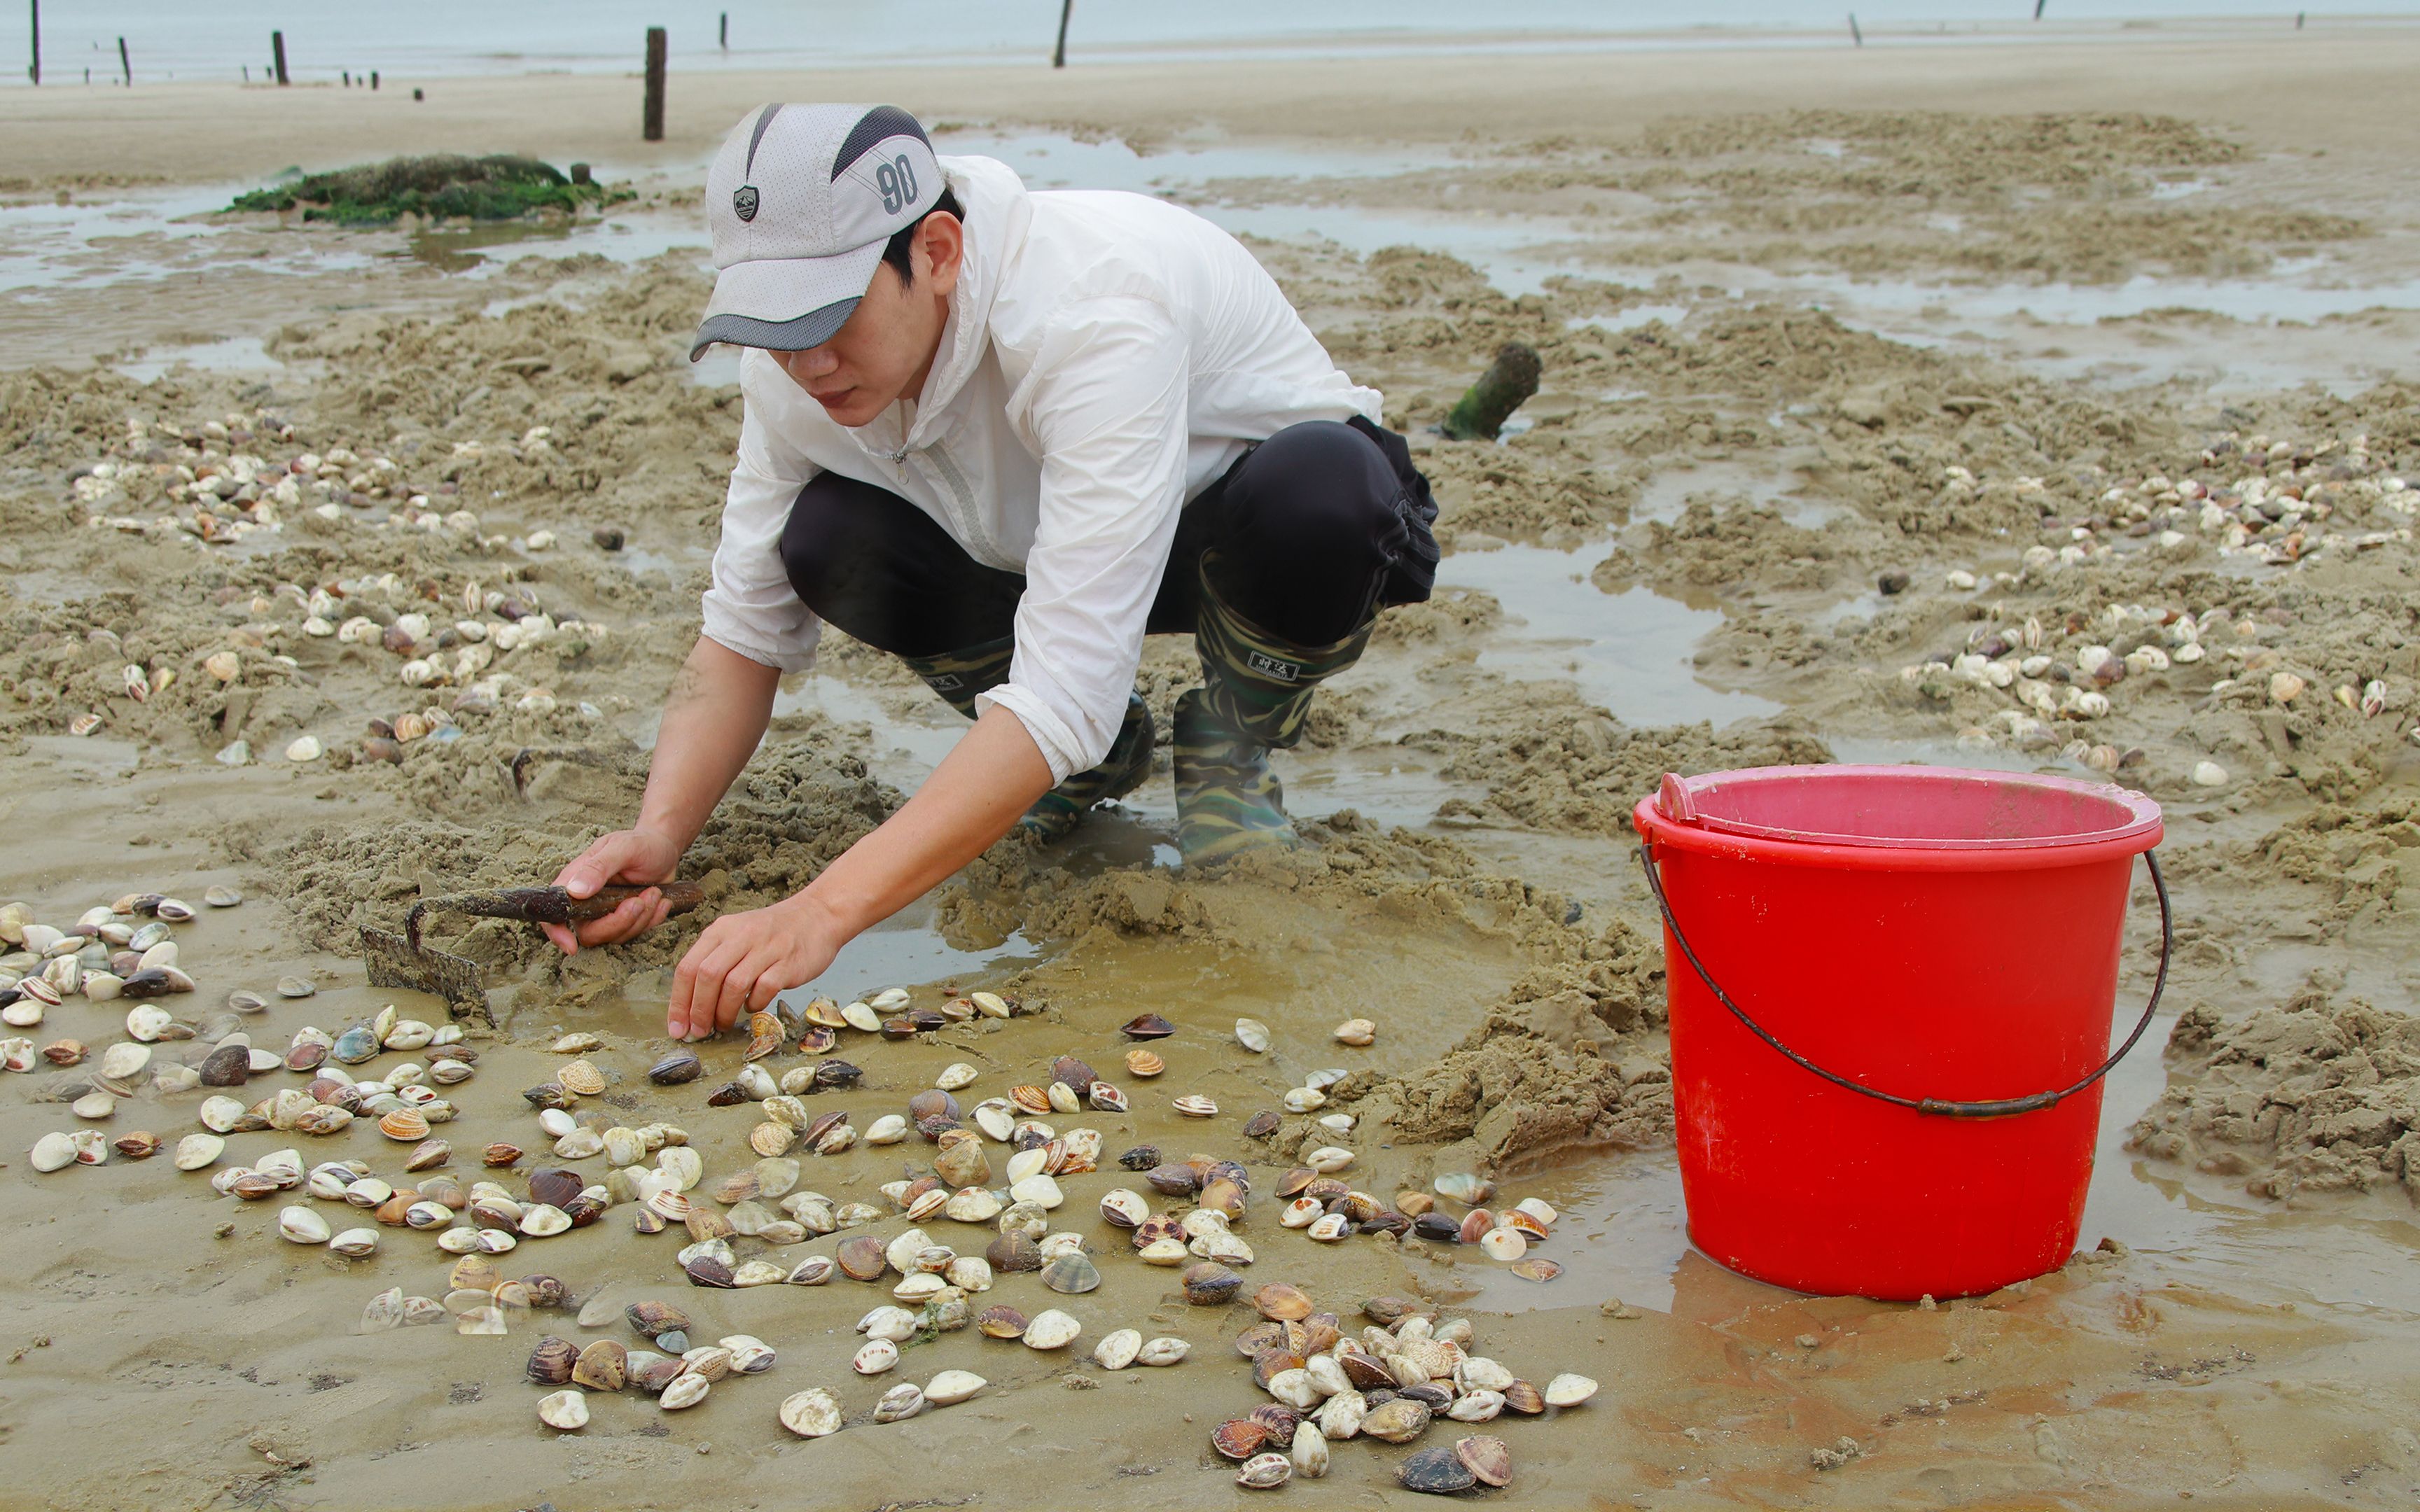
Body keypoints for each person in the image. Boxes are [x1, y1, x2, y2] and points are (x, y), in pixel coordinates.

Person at [540, 104, 1438, 1042]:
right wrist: (661, 832)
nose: (806, 360)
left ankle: (1230, 742)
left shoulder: (1091, 308)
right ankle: (1096, 764)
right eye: (771, 323)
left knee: (1326, 498)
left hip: (1241, 531)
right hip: (1027, 545)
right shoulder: (792, 374)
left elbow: (1063, 696)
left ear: (936, 252)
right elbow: (741, 632)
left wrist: (821, 911)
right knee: (822, 536)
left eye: (830, 314)